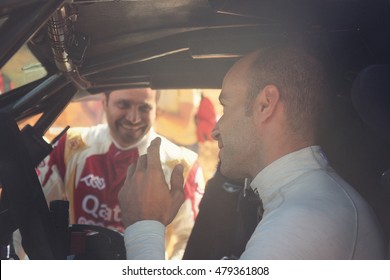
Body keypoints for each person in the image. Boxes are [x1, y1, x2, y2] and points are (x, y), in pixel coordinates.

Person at [118, 45, 387, 259]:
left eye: (225, 107)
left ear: (265, 105)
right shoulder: (306, 202)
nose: (215, 130)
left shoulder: (304, 222)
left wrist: (145, 224)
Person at [16, 88, 204, 260]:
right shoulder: (70, 145)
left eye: (144, 108)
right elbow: (28, 214)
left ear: (157, 111)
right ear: (104, 104)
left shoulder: (183, 164)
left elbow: (188, 240)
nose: (134, 118)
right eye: (124, 105)